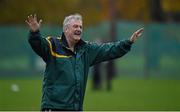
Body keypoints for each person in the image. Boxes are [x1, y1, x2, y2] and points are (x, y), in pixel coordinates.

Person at [25, 13, 144, 111]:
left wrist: (128, 42)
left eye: (81, 27)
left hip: (76, 108)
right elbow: (38, 45)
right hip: (54, 107)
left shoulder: (86, 49)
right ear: (66, 29)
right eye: (75, 26)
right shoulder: (53, 44)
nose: (79, 29)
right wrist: (35, 33)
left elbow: (109, 50)